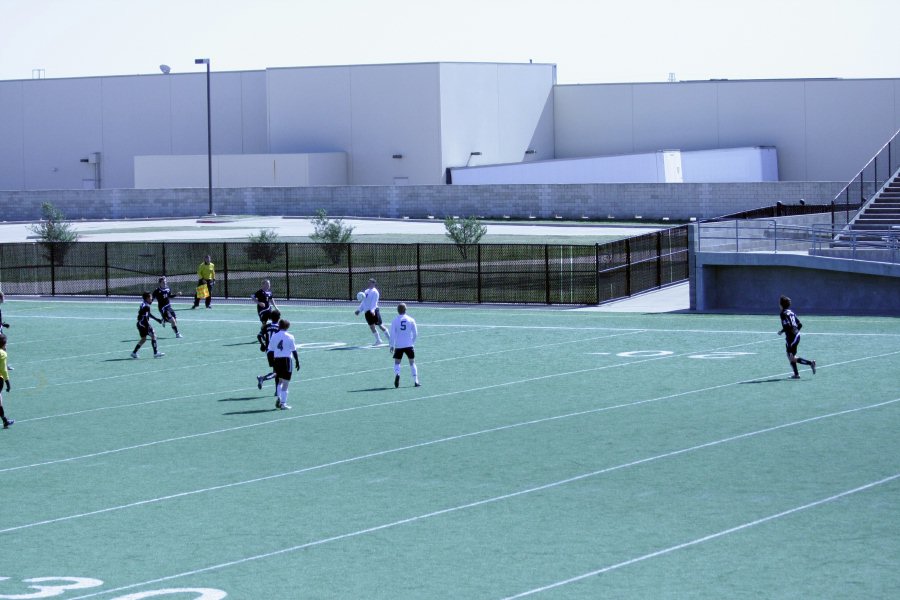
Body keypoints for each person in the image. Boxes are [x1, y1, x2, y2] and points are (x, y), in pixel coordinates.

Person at [778, 295, 816, 379]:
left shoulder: (783, 313)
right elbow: (800, 324)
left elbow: (787, 326)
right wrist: (796, 331)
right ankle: (796, 374)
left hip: (791, 338)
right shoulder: (791, 312)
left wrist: (782, 331)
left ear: (781, 305)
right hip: (795, 336)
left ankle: (811, 363)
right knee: (789, 355)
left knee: (792, 357)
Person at [268, 318, 300, 410]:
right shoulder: (290, 336)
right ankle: (283, 403)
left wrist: (272, 362)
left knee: (280, 380)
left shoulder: (274, 336)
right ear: (287, 327)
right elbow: (294, 350)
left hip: (277, 360)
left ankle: (279, 397)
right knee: (286, 383)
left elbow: (270, 350)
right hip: (286, 361)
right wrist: (297, 361)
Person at [389, 303, 420, 388]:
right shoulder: (411, 319)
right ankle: (416, 381)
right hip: (409, 345)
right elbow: (415, 333)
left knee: (397, 362)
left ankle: (397, 374)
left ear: (397, 310)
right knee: (412, 362)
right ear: (406, 310)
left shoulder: (395, 320)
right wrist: (412, 342)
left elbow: (392, 334)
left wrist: (391, 345)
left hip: (399, 346)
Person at [355, 278, 390, 346]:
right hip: (367, 312)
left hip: (374, 311)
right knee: (372, 326)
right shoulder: (366, 291)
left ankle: (390, 340)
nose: (369, 283)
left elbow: (374, 302)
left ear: (374, 283)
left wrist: (372, 310)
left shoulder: (375, 292)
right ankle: (378, 340)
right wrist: (359, 310)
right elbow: (364, 302)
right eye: (369, 282)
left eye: (370, 282)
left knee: (380, 325)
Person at [131, 292, 165, 358]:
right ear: (147, 298)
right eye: (150, 297)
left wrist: (157, 320)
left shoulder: (144, 304)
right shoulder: (146, 306)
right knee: (154, 335)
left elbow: (148, 314)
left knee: (143, 339)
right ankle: (155, 353)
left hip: (139, 324)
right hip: (144, 324)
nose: (151, 298)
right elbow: (145, 317)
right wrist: (148, 326)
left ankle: (134, 353)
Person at [256, 309, 282, 394]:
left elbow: (259, 336)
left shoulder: (266, 326)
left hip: (268, 352)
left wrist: (263, 344)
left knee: (276, 370)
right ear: (279, 318)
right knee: (278, 372)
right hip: (277, 352)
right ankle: (262, 378)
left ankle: (277, 391)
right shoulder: (279, 327)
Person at [253, 279, 277, 347]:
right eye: (266, 284)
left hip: (269, 309)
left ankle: (264, 333)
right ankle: (262, 333)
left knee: (274, 319)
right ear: (263, 285)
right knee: (264, 322)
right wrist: (259, 303)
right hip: (262, 310)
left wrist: (275, 307)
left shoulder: (269, 292)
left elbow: (271, 299)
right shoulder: (259, 292)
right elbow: (252, 297)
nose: (268, 285)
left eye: (269, 284)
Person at [0, 335, 13, 429]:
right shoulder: (2, 354)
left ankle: (5, 420)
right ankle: (5, 420)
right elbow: (3, 369)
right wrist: (8, 382)